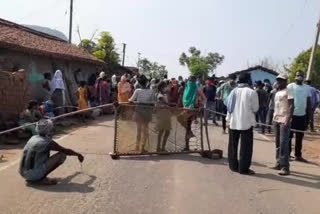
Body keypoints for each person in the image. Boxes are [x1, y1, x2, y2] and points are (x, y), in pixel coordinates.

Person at [19, 119, 84, 185]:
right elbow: (66, 151)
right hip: (33, 175)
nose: (53, 129)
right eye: (52, 128)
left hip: (22, 172)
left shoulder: (33, 137)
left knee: (42, 154)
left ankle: (36, 176)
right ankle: (40, 179)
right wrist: (78, 154)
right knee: (62, 155)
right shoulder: (47, 142)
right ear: (49, 130)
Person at [226, 73, 259, 175]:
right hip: (246, 123)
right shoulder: (251, 92)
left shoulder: (233, 91)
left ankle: (233, 166)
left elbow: (228, 107)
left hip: (233, 122)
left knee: (232, 145)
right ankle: (243, 168)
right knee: (246, 147)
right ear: (248, 80)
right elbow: (255, 108)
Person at [271, 73, 293, 176]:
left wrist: (288, 119)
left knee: (284, 144)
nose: (279, 82)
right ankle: (278, 162)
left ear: (286, 81)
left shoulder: (289, 91)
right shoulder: (277, 92)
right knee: (277, 143)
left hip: (284, 120)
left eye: (281, 80)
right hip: (276, 119)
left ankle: (285, 167)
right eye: (278, 80)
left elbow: (292, 105)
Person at [287, 71, 311, 161]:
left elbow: (308, 103)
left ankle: (298, 155)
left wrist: (309, 118)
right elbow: (287, 100)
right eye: (297, 75)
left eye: (301, 76)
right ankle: (287, 154)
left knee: (299, 137)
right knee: (289, 136)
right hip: (291, 115)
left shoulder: (307, 88)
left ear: (303, 77)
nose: (299, 77)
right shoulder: (290, 86)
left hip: (302, 116)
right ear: (295, 77)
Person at [129, 75, 155, 153]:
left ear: (139, 83)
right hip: (147, 112)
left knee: (138, 130)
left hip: (139, 111)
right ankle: (142, 147)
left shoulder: (137, 90)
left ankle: (137, 146)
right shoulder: (151, 91)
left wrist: (131, 101)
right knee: (145, 130)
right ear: (147, 82)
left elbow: (131, 100)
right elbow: (153, 102)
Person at [155, 81, 171, 152]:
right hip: (162, 115)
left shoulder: (164, 95)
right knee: (162, 131)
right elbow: (166, 103)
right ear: (161, 88)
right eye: (165, 86)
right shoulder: (160, 95)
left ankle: (162, 148)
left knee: (167, 131)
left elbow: (168, 103)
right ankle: (159, 148)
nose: (166, 88)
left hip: (166, 114)